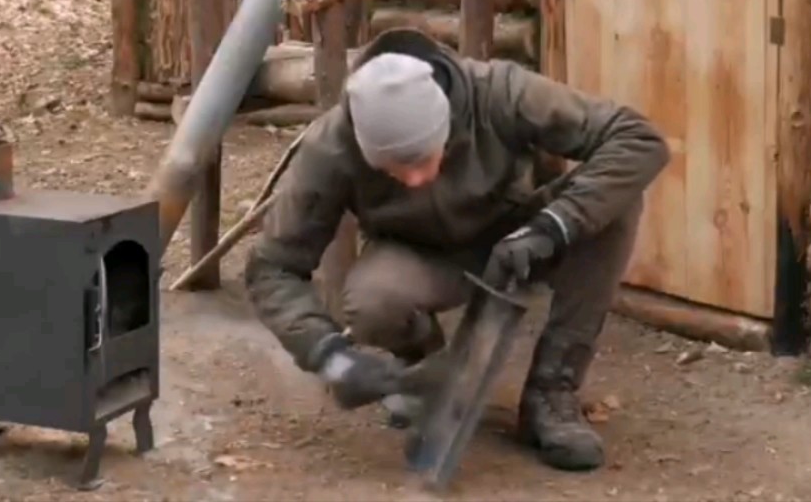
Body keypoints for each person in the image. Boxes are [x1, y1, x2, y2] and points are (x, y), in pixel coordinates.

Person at [243, 26, 670, 472]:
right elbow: (273, 266)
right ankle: (423, 373)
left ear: (446, 119)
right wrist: (329, 356)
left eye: (425, 157)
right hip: (420, 254)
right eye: (394, 169)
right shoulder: (331, 146)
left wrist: (551, 226)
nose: (415, 180)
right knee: (373, 303)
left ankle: (551, 393)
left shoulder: (500, 92)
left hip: (520, 235)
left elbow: (636, 139)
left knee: (613, 207)